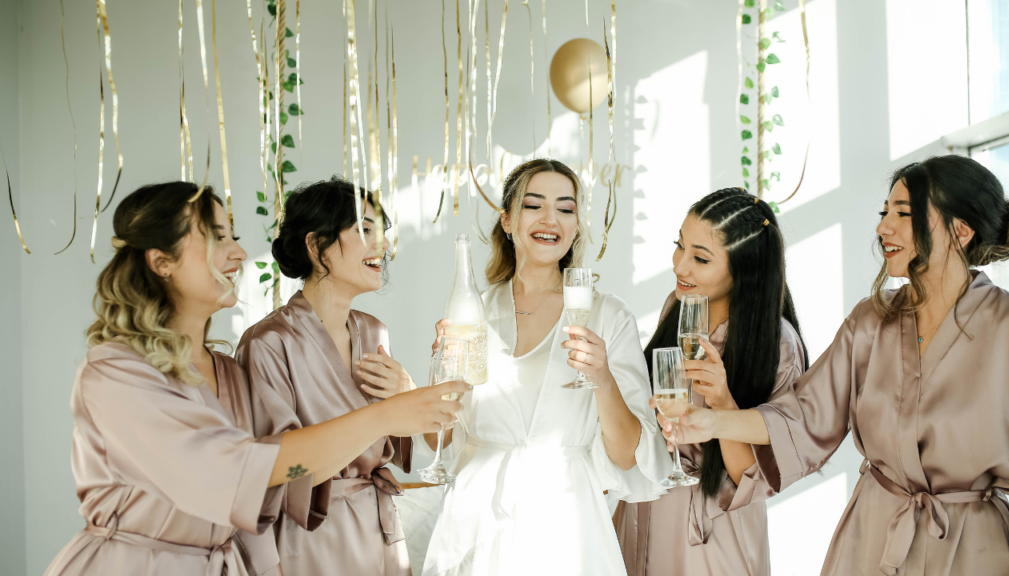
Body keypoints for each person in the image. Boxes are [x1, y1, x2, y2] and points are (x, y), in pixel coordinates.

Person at [43, 182, 468, 576]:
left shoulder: (227, 372)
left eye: (233, 235)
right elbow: (249, 471)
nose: (240, 253)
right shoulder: (115, 373)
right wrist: (387, 416)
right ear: (162, 262)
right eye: (217, 237)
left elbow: (260, 503)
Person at [665, 155, 1009, 575]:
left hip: (974, 550)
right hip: (873, 537)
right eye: (884, 212)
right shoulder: (870, 321)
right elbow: (801, 415)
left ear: (959, 231)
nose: (883, 227)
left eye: (903, 214)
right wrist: (712, 423)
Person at [420, 159, 671, 576]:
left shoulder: (607, 315)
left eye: (566, 208)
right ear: (507, 220)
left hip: (568, 521)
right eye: (534, 205)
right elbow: (438, 440)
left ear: (575, 225)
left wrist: (604, 380)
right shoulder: (472, 311)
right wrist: (439, 376)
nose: (550, 219)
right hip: (477, 516)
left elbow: (628, 456)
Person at [615, 187, 808, 575]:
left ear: (745, 267)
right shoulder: (680, 308)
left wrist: (722, 401)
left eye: (700, 258)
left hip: (712, 531)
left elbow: (751, 477)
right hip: (644, 508)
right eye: (679, 246)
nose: (680, 266)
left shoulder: (777, 344)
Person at [236, 178, 417, 576]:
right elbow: (278, 469)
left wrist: (410, 394)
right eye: (364, 229)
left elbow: (413, 436)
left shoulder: (374, 332)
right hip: (311, 537)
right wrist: (393, 413)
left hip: (379, 530)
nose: (383, 245)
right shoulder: (267, 344)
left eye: (382, 231)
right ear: (317, 247)